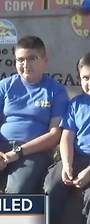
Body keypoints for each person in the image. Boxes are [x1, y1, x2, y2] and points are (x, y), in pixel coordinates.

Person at [0, 35, 69, 194]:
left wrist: (18, 153)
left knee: (18, 191)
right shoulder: (5, 86)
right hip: (1, 147)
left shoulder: (56, 91)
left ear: (45, 60)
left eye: (32, 58)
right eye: (20, 60)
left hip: (35, 152)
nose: (25, 65)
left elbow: (54, 135)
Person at [43, 52, 90, 224]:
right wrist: (67, 164)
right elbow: (67, 137)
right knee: (51, 187)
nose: (89, 83)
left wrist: (88, 173)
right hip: (76, 157)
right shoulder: (77, 104)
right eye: (85, 78)